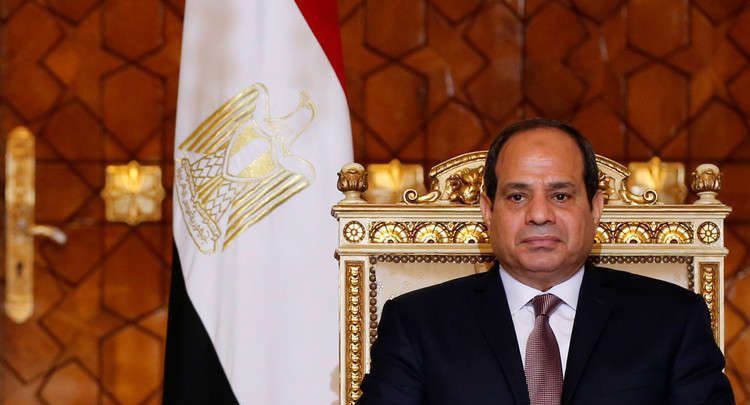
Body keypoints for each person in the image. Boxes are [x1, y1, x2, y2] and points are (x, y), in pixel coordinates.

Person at [356, 118, 734, 405]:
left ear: (596, 207)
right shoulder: (418, 324)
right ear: (487, 210)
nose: (539, 215)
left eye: (561, 196)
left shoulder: (671, 319)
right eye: (517, 197)